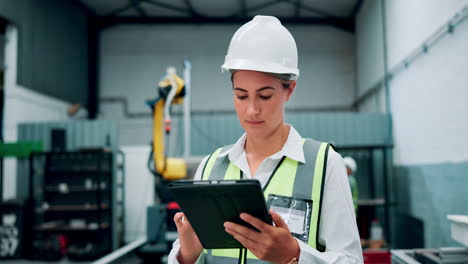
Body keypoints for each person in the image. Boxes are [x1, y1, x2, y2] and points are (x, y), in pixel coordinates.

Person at [168, 15, 362, 264]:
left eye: (265, 96)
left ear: (289, 90)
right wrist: (187, 255)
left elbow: (352, 260)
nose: (251, 110)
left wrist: (295, 256)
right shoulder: (210, 166)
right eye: (241, 96)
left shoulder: (324, 165)